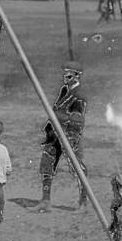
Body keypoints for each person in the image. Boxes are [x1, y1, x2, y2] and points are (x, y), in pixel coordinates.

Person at [36, 60, 88, 212]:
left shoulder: (79, 95)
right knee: (46, 163)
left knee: (76, 167)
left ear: (77, 76)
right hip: (55, 134)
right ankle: (45, 201)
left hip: (69, 135)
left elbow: (77, 119)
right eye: (65, 75)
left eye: (69, 76)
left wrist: (58, 116)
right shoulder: (65, 90)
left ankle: (83, 203)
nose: (65, 78)